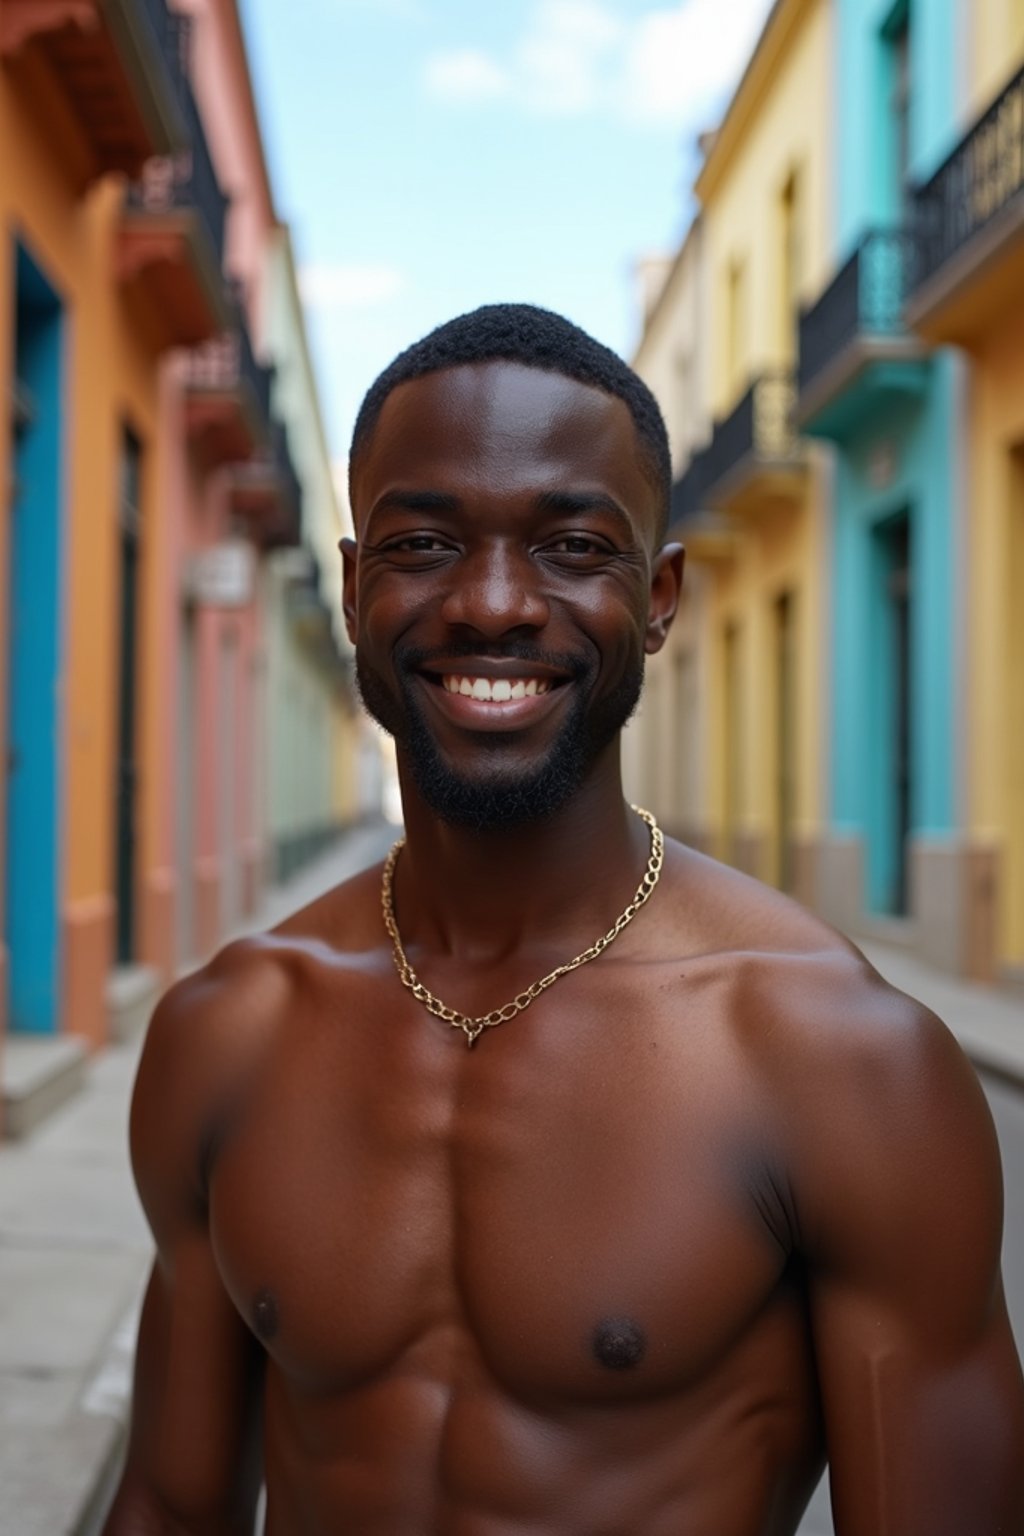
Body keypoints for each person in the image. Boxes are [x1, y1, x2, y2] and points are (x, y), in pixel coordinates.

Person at [104, 304, 1024, 1536]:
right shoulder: (230, 1029)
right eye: (423, 541)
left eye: (571, 547)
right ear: (351, 587)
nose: (492, 604)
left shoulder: (837, 1061)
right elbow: (170, 1507)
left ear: (659, 598)